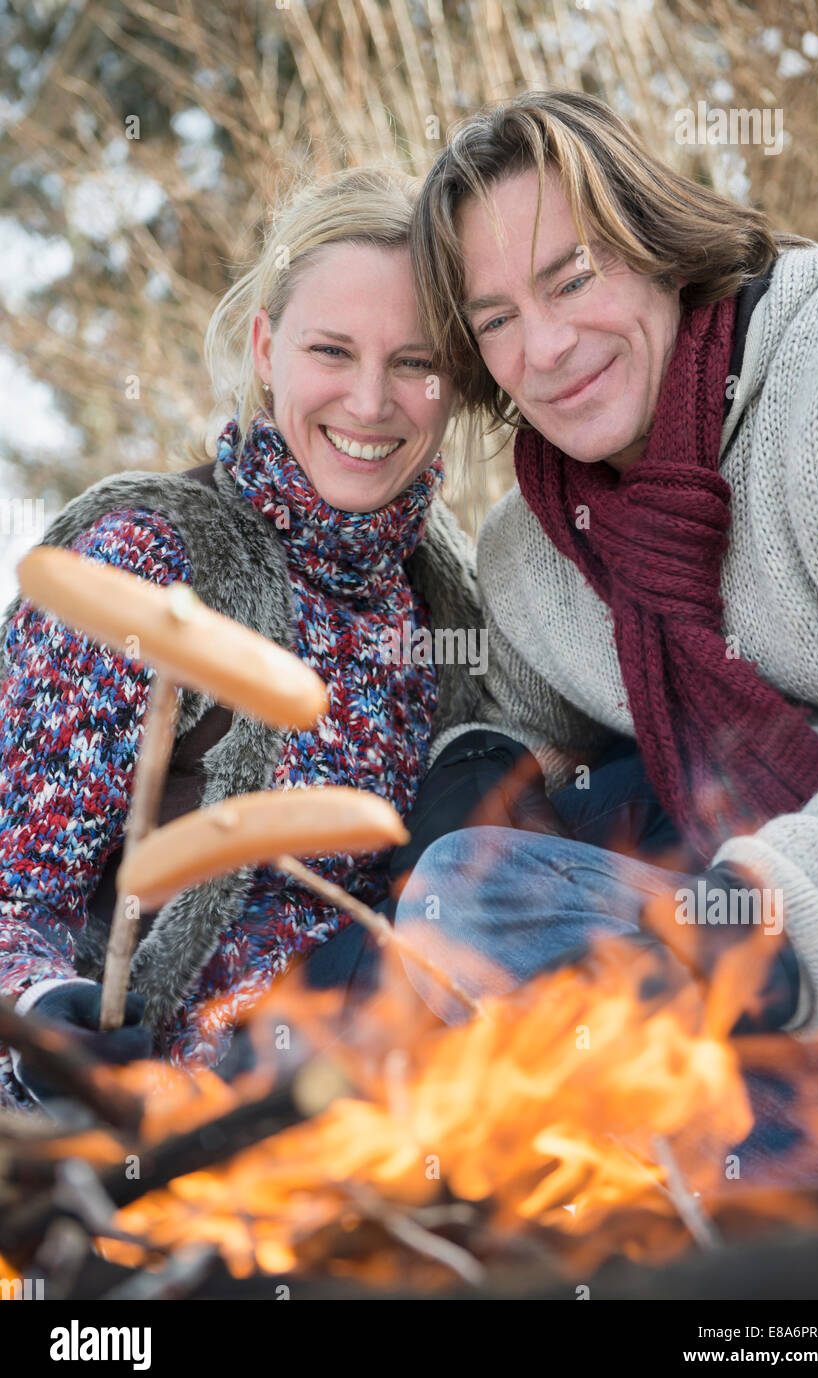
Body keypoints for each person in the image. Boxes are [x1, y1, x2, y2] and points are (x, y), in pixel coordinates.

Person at [0, 166, 489, 1110]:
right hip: (193, 1103)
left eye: (414, 362)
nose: (370, 400)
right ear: (267, 348)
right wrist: (41, 1010)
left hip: (415, 1069)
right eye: (332, 351)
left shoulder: (451, 604)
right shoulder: (149, 567)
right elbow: (11, 891)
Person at [393, 89, 818, 1059]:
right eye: (496, 320)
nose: (546, 350)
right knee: (463, 888)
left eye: (570, 280)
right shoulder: (535, 545)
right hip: (724, 942)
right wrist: (471, 788)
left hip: (801, 901)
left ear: (654, 241)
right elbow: (509, 713)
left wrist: (744, 931)